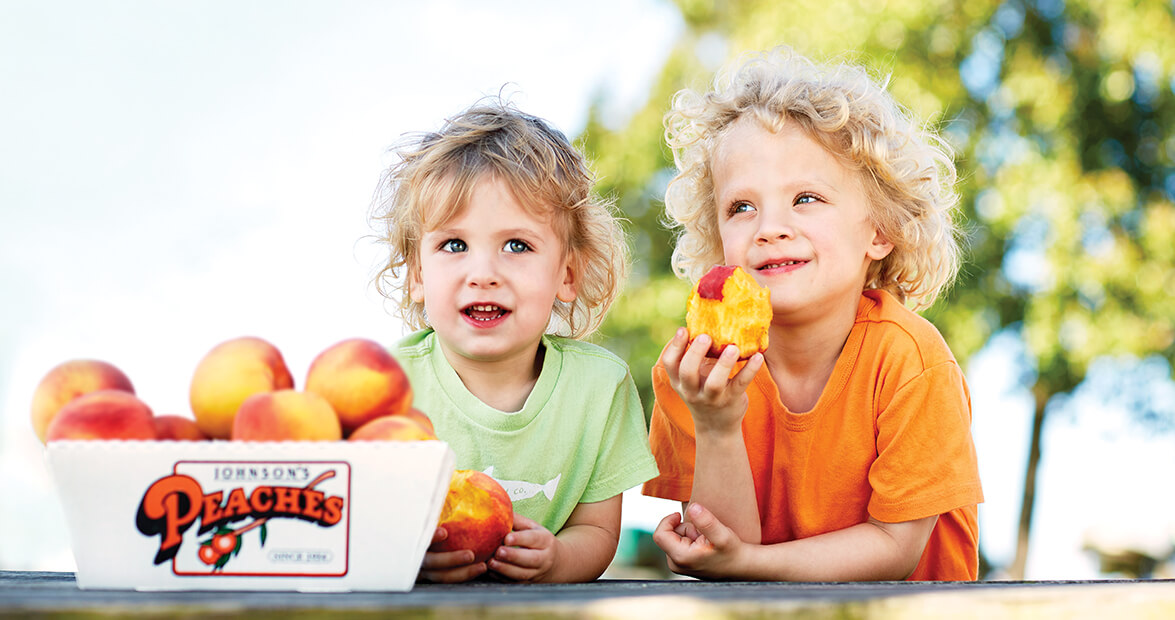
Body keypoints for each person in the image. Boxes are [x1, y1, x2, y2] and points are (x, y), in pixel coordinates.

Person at [642, 46, 984, 581]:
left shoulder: (912, 363)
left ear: (880, 231)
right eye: (741, 207)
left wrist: (750, 562)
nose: (769, 228)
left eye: (805, 198)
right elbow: (724, 554)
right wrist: (716, 424)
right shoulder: (695, 375)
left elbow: (896, 549)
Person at [370, 98, 659, 583]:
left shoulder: (599, 388)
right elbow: (362, 524)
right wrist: (407, 555)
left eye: (517, 245)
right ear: (418, 274)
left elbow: (596, 529)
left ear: (567, 275)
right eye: (454, 245)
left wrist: (558, 559)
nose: (483, 273)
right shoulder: (390, 386)